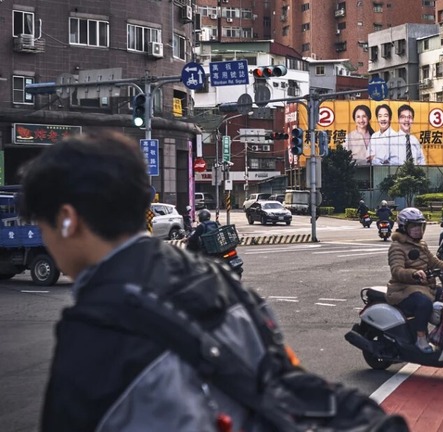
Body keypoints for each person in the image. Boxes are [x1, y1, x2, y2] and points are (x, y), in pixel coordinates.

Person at [19, 131, 276, 431]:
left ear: (66, 219)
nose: (46, 239)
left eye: (41, 224)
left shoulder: (96, 332)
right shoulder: (228, 287)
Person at [386, 208, 443, 353]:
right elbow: (397, 271)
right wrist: (414, 273)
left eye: (420, 226)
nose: (418, 230)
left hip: (424, 287)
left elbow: (435, 262)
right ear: (404, 228)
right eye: (413, 226)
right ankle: (420, 338)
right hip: (403, 289)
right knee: (424, 304)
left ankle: (442, 334)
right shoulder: (397, 247)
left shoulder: (421, 245)